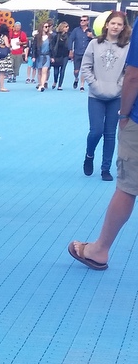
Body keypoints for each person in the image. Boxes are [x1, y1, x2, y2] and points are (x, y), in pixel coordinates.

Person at [68, 39, 138, 270]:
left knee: (127, 187)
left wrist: (124, 114)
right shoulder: (94, 45)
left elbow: (133, 75)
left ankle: (100, 250)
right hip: (100, 94)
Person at [81, 11, 131, 181]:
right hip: (96, 96)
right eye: (113, 23)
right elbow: (86, 67)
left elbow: (128, 71)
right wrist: (94, 84)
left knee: (110, 134)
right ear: (107, 24)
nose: (115, 27)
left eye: (119, 24)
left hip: (116, 97)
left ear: (123, 27)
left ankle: (105, 168)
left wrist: (119, 86)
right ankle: (89, 154)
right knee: (96, 131)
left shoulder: (127, 47)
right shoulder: (94, 44)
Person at [69, 14, 95, 90]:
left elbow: (96, 41)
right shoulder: (76, 30)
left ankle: (82, 85)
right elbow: (71, 39)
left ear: (87, 22)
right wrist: (70, 50)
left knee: (83, 70)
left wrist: (92, 36)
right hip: (77, 52)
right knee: (76, 71)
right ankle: (76, 78)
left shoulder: (90, 30)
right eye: (81, 20)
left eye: (84, 20)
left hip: (86, 53)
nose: (82, 22)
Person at [50, 21, 71, 90]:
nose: (67, 28)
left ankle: (60, 85)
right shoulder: (56, 36)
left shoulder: (68, 36)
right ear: (62, 27)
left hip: (65, 55)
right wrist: (52, 56)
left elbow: (70, 45)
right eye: (66, 27)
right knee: (56, 72)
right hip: (57, 55)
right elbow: (52, 46)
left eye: (67, 27)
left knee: (62, 70)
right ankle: (55, 81)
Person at [32, 20, 53, 91]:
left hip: (47, 56)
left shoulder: (50, 37)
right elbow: (34, 47)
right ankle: (40, 83)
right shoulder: (37, 37)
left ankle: (42, 85)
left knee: (45, 70)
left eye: (48, 26)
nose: (47, 28)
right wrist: (33, 56)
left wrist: (52, 57)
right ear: (42, 27)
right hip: (39, 56)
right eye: (46, 27)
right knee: (39, 71)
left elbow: (52, 47)